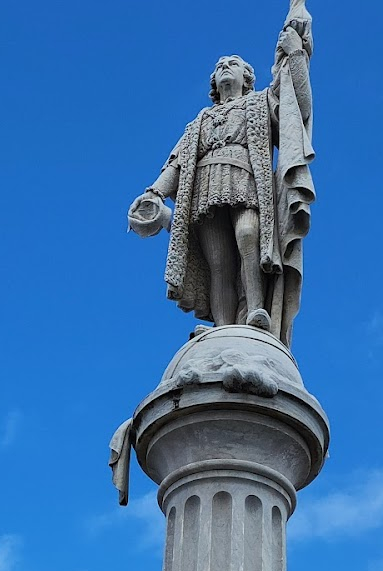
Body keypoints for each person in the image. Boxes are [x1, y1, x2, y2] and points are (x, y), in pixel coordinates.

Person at [128, 3, 315, 348]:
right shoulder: (198, 121)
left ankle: (257, 309)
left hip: (247, 182)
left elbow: (294, 106)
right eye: (219, 66)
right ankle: (224, 325)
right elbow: (178, 163)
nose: (225, 67)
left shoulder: (260, 102)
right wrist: (154, 193)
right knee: (219, 262)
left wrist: (295, 56)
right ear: (214, 82)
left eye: (233, 64)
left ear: (247, 78)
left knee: (248, 235)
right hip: (205, 190)